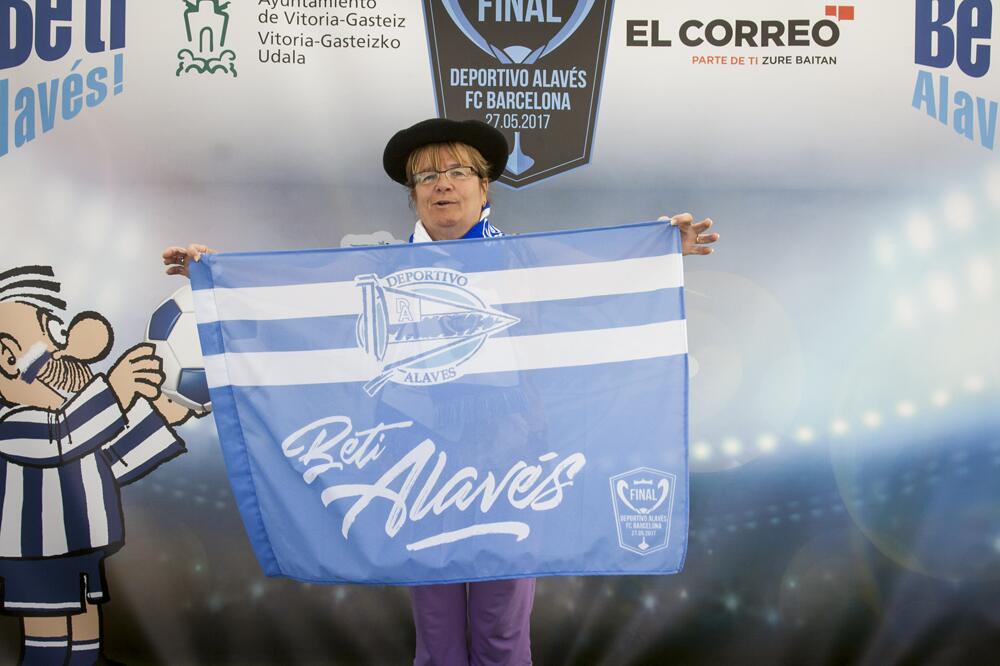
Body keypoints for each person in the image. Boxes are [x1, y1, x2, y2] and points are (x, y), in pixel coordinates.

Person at [162, 117, 718, 665]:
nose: (442, 185)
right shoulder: (378, 267)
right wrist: (211, 277)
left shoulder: (524, 258)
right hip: (416, 462)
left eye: (457, 172)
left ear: (484, 186)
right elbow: (289, 296)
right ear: (414, 196)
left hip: (509, 460)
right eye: (426, 177)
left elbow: (602, 277)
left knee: (501, 630)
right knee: (437, 633)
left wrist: (663, 250)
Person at [0, 265, 196, 666]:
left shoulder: (77, 424)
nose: (67, 348)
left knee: (85, 627)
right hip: (36, 552)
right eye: (50, 335)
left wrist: (161, 415)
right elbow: (61, 436)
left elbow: (109, 461)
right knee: (50, 636)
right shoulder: (12, 423)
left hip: (78, 546)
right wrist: (116, 389)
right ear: (7, 357)